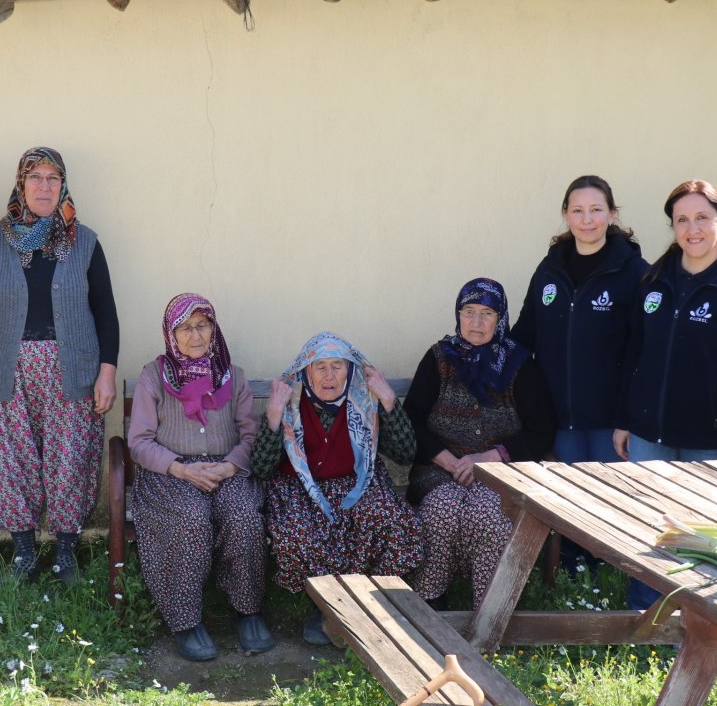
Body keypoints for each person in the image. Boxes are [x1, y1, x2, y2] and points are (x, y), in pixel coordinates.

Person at [615, 180, 717, 609]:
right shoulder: (655, 282)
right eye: (682, 220)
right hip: (650, 436)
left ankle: (699, 625)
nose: (693, 229)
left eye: (702, 217)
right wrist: (627, 418)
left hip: (710, 444)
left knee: (701, 539)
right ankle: (644, 620)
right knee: (651, 530)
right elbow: (635, 355)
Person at [0, 146, 119, 585]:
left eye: (52, 178)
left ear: (64, 186)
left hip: (72, 367)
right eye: (34, 177)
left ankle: (64, 553)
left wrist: (107, 371)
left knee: (70, 459)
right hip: (9, 368)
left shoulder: (86, 241)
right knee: (12, 460)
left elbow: (105, 311)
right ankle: (23, 553)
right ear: (20, 183)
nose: (44, 186)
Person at [251, 332, 422, 645]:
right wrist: (273, 415)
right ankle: (326, 605)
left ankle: (369, 599)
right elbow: (261, 468)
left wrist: (387, 400)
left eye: (338, 366)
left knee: (389, 517)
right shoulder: (290, 404)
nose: (329, 376)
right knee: (297, 531)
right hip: (300, 488)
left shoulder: (364, 404)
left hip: (356, 483)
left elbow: (406, 453)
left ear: (350, 371)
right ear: (306, 371)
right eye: (320, 367)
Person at [128, 293, 273, 661]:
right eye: (185, 327)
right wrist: (180, 467)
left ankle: (247, 611)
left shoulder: (234, 377)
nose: (195, 335)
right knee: (190, 519)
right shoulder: (153, 376)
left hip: (227, 470)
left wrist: (229, 467)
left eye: (202, 325)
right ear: (170, 333)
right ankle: (185, 620)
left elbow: (250, 436)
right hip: (170, 473)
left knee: (243, 517)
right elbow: (139, 442)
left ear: (213, 329)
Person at [405, 278, 555, 609]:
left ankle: (491, 607)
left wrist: (491, 457)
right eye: (468, 312)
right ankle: (431, 599)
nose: (476, 322)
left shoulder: (520, 364)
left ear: (500, 318)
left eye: (486, 313)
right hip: (439, 470)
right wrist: (446, 460)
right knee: (441, 505)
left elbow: (541, 429)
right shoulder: (438, 358)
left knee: (485, 509)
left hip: (501, 471)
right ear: (457, 315)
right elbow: (411, 419)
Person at [511, 175, 647, 464]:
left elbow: (644, 352)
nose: (587, 219)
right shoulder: (549, 270)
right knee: (565, 507)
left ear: (612, 214)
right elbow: (523, 336)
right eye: (577, 211)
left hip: (612, 426)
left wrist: (628, 418)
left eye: (596, 210)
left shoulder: (635, 273)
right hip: (557, 422)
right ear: (565, 215)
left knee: (612, 505)